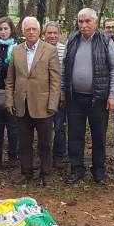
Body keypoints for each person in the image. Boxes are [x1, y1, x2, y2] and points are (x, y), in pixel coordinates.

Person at [62, 8, 114, 185]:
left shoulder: (106, 41)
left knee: (99, 136)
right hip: (75, 98)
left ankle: (99, 170)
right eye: (80, 21)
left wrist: (113, 95)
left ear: (95, 22)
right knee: (75, 135)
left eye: (87, 21)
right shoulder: (72, 39)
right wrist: (64, 90)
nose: (83, 25)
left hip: (99, 98)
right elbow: (64, 67)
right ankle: (77, 169)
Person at [4, 17, 61, 185]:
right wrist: (9, 101)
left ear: (39, 32)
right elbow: (10, 79)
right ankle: (26, 172)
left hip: (43, 105)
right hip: (22, 104)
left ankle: (46, 173)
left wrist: (53, 103)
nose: (30, 32)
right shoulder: (16, 51)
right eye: (27, 29)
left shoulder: (49, 50)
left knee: (45, 143)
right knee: (24, 143)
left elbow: (55, 80)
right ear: (23, 32)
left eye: (33, 29)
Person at [0, 16, 20, 168]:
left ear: (11, 29)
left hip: (13, 92)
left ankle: (13, 156)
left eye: (5, 29)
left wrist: (2, 64)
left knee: (13, 127)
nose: (3, 32)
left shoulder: (17, 46)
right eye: (0, 29)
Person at [43, 21, 68, 169]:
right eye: (49, 33)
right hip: (41, 95)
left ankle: (59, 156)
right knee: (44, 127)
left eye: (55, 33)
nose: (52, 36)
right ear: (44, 34)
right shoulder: (39, 49)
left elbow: (65, 74)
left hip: (59, 96)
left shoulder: (64, 50)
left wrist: (63, 94)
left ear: (59, 34)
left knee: (59, 126)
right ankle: (44, 155)